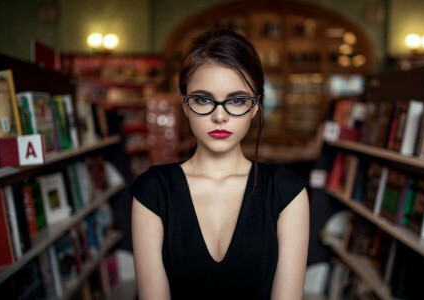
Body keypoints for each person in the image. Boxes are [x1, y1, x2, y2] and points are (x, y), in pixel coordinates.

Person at [130, 29, 309, 299]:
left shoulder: (287, 192)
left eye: (237, 100)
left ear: (256, 106)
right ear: (186, 105)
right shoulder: (153, 191)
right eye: (203, 99)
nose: (220, 115)